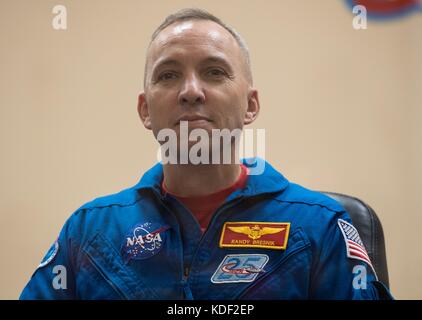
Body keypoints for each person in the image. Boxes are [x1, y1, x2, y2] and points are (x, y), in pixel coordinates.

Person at [20, 8, 393, 300]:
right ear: (145, 110)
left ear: (250, 105)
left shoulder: (319, 227)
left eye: (214, 72)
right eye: (168, 75)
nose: (191, 91)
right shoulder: (87, 232)